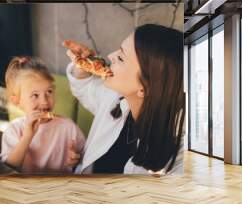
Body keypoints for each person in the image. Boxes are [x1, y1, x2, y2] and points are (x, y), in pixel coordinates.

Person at [64, 24, 185, 175]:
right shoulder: (114, 97)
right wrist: (83, 66)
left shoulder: (178, 157)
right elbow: (84, 89)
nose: (109, 56)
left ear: (145, 87)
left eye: (120, 57)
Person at [0, 56, 85, 173]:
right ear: (17, 101)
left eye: (49, 92)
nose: (44, 101)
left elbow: (87, 159)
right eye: (35, 95)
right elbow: (8, 169)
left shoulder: (68, 127)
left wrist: (76, 160)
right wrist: (27, 136)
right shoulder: (14, 130)